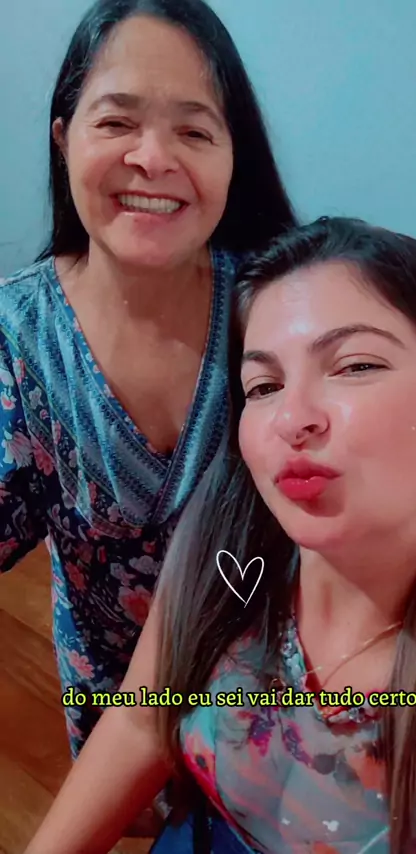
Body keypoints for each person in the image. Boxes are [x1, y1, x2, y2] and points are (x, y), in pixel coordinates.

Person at [24, 216, 416, 854]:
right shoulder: (234, 543)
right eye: (264, 386)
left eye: (354, 365)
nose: (291, 418)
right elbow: (142, 719)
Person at [0, 0, 295, 767]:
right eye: (116, 122)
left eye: (194, 132)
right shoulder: (16, 338)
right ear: (63, 139)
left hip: (273, 697)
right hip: (112, 697)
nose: (153, 158)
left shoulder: (281, 309)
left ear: (234, 156)